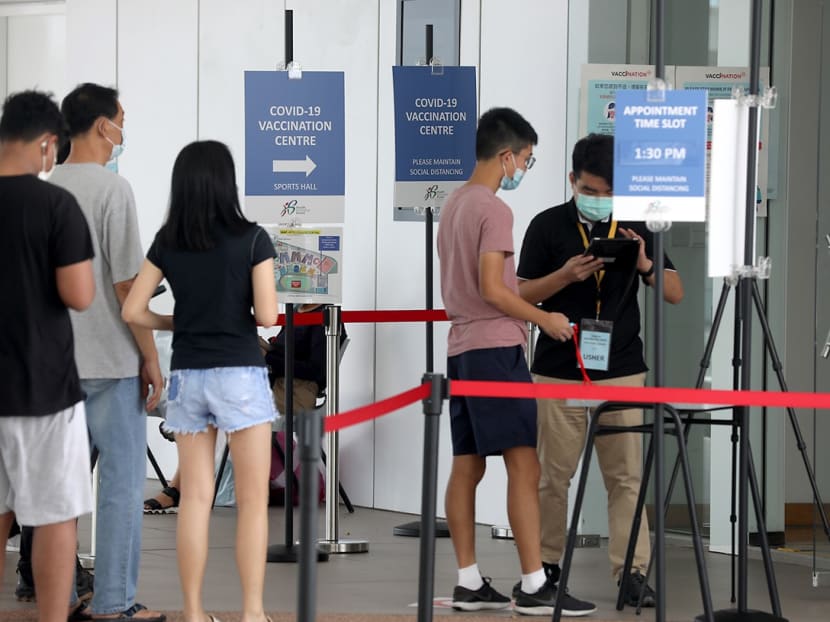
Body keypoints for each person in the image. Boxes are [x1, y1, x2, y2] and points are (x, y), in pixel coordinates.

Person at [436, 107, 596, 617]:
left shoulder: (455, 205)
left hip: (461, 349)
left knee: (467, 465)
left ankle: (467, 580)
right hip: (495, 352)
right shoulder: (494, 210)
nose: (524, 167)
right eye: (525, 158)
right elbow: (493, 290)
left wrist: (550, 288)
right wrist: (544, 320)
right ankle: (532, 584)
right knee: (524, 465)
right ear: (507, 156)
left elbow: (490, 286)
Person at [516, 133, 684, 608]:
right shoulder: (547, 225)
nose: (599, 200)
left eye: (608, 192)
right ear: (573, 181)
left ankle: (631, 571)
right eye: (590, 190)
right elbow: (521, 295)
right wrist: (565, 276)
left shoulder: (637, 223)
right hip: (557, 367)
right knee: (553, 474)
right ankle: (546, 567)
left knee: (626, 475)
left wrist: (647, 264)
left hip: (622, 368)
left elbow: (674, 292)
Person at [122, 140, 278, 622]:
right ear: (227, 182)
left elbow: (132, 309)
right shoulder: (253, 238)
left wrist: (177, 323)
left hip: (189, 375)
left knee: (194, 497)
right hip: (240, 373)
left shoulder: (169, 240)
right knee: (252, 502)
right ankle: (252, 612)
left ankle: (193, 612)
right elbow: (269, 315)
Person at [48, 82, 165, 622]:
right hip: (112, 364)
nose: (123, 131)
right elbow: (127, 288)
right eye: (121, 120)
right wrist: (150, 357)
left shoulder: (45, 189)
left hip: (53, 367)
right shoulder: (113, 192)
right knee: (118, 490)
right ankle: (114, 603)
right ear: (102, 126)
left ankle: (63, 598)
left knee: (57, 494)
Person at [0, 89, 95, 622]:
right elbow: (79, 294)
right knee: (56, 516)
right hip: (42, 387)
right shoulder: (56, 205)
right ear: (47, 144)